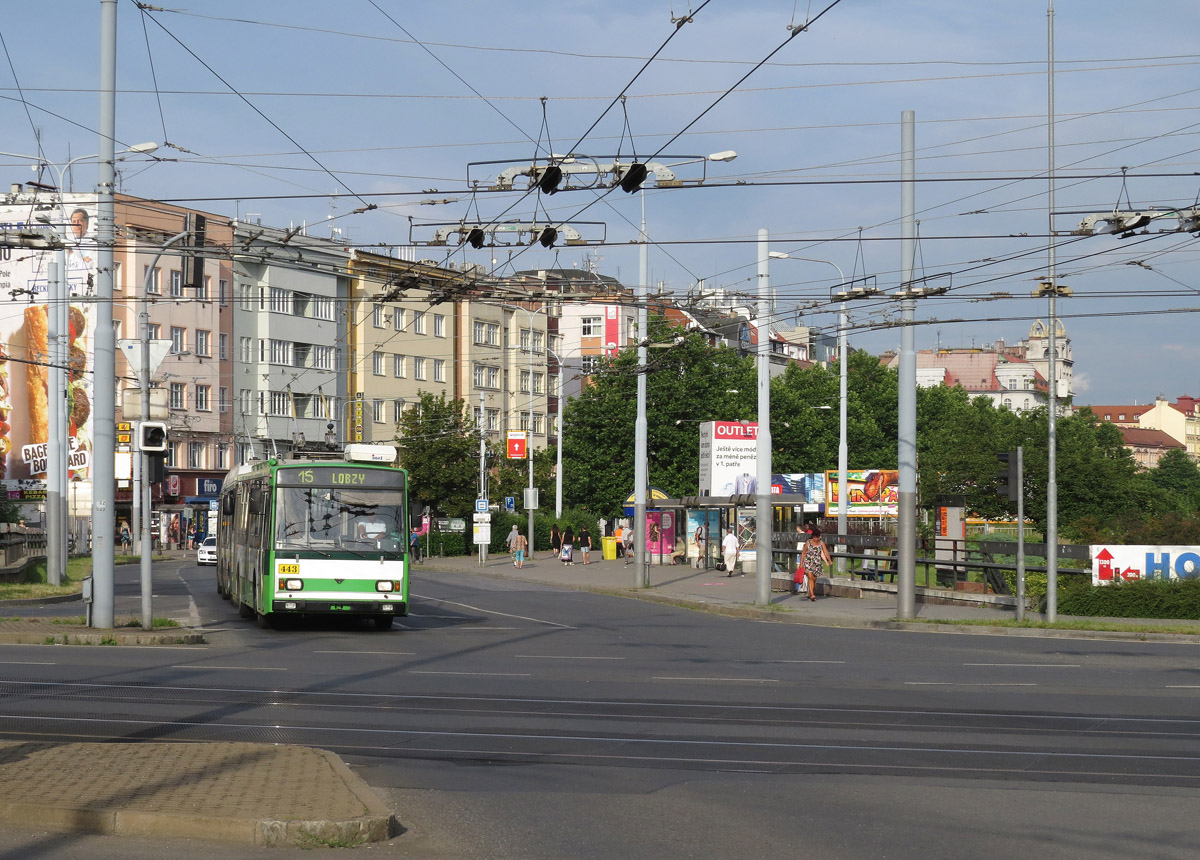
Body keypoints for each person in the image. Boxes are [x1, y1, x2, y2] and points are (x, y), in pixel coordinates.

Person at [802, 526, 833, 601]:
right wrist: (801, 563)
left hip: (817, 563)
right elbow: (803, 552)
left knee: (814, 579)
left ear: (820, 537)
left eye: (817, 537)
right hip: (808, 561)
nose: (816, 539)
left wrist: (829, 560)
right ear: (813, 536)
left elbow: (825, 552)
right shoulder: (808, 542)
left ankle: (811, 591)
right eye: (815, 537)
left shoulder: (821, 543)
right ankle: (812, 595)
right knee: (810, 577)